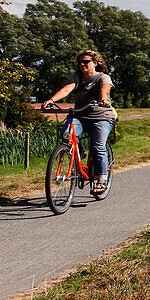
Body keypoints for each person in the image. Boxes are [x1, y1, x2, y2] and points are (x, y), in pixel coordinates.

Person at [42, 50, 117, 195]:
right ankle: (78, 153)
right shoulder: (77, 77)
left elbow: (104, 89)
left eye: (86, 62)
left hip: (101, 116)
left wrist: (103, 99)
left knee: (97, 145)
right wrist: (52, 100)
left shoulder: (104, 77)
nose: (82, 65)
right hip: (80, 115)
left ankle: (101, 179)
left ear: (95, 63)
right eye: (80, 62)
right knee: (66, 135)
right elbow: (66, 89)